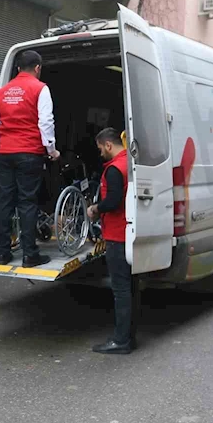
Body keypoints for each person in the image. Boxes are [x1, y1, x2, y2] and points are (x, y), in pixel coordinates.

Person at [0, 50, 60, 268]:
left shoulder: (1, 92)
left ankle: (3, 253)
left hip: (5, 154)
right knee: (27, 202)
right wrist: (51, 149)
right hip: (29, 152)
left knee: (4, 202)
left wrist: (0, 145)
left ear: (18, 68)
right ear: (37, 68)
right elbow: (45, 122)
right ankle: (30, 255)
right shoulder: (40, 88)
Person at [87, 128, 137, 355]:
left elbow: (114, 201)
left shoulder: (114, 169)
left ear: (108, 145)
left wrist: (96, 208)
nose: (100, 154)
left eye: (100, 149)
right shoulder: (130, 162)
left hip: (117, 235)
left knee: (121, 290)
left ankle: (120, 341)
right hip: (130, 233)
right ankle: (129, 336)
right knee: (130, 288)